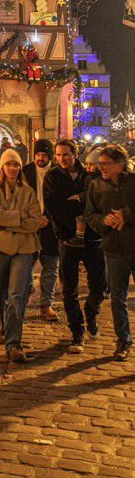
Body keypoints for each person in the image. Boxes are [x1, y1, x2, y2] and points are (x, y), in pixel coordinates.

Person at [43, 139, 106, 353]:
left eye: (66, 154)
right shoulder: (52, 177)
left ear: (74, 154)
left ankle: (91, 312)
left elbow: (98, 200)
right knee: (69, 290)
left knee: (99, 285)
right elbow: (54, 207)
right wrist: (77, 208)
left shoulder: (88, 174)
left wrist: (78, 200)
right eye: (59, 155)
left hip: (92, 238)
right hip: (67, 238)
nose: (62, 159)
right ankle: (77, 331)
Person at [0, 148, 42, 363]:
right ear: (2, 166)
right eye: (9, 164)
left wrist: (6, 222)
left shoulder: (27, 191)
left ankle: (13, 343)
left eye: (16, 165)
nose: (13, 169)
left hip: (24, 248)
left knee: (17, 294)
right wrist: (20, 216)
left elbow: (35, 221)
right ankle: (5, 326)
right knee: (0, 294)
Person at [83, 144, 135, 361]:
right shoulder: (95, 186)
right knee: (117, 298)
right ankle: (123, 340)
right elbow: (89, 215)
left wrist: (126, 215)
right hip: (114, 249)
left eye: (106, 164)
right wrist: (103, 220)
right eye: (100, 163)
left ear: (120, 164)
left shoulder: (133, 183)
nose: (101, 167)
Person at [23, 139, 59, 321]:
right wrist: (33, 219)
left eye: (44, 155)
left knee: (51, 267)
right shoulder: (26, 171)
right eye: (38, 155)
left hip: (51, 228)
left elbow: (62, 201)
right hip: (30, 227)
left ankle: (47, 304)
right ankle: (24, 297)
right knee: (26, 264)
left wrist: (49, 219)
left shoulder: (58, 173)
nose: (40, 158)